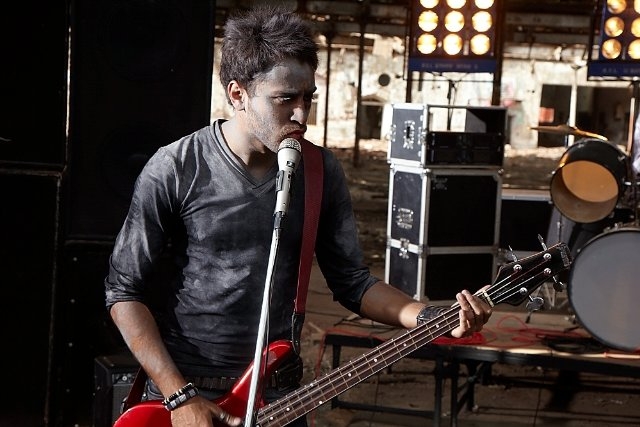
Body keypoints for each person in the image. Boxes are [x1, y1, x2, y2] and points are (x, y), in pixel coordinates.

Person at [104, 5, 493, 427]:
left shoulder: (319, 170)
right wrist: (179, 395)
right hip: (186, 392)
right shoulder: (176, 167)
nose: (302, 115)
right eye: (285, 99)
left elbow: (353, 283)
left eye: (308, 98)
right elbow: (123, 293)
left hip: (279, 395)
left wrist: (428, 317)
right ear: (237, 94)